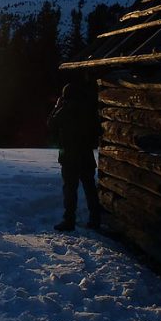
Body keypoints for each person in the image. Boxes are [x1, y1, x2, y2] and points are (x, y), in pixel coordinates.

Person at [47, 79, 102, 232]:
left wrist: (57, 106)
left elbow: (51, 124)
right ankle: (95, 219)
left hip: (69, 157)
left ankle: (69, 220)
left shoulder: (64, 110)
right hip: (86, 156)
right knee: (90, 188)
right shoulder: (88, 111)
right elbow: (98, 131)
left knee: (70, 190)